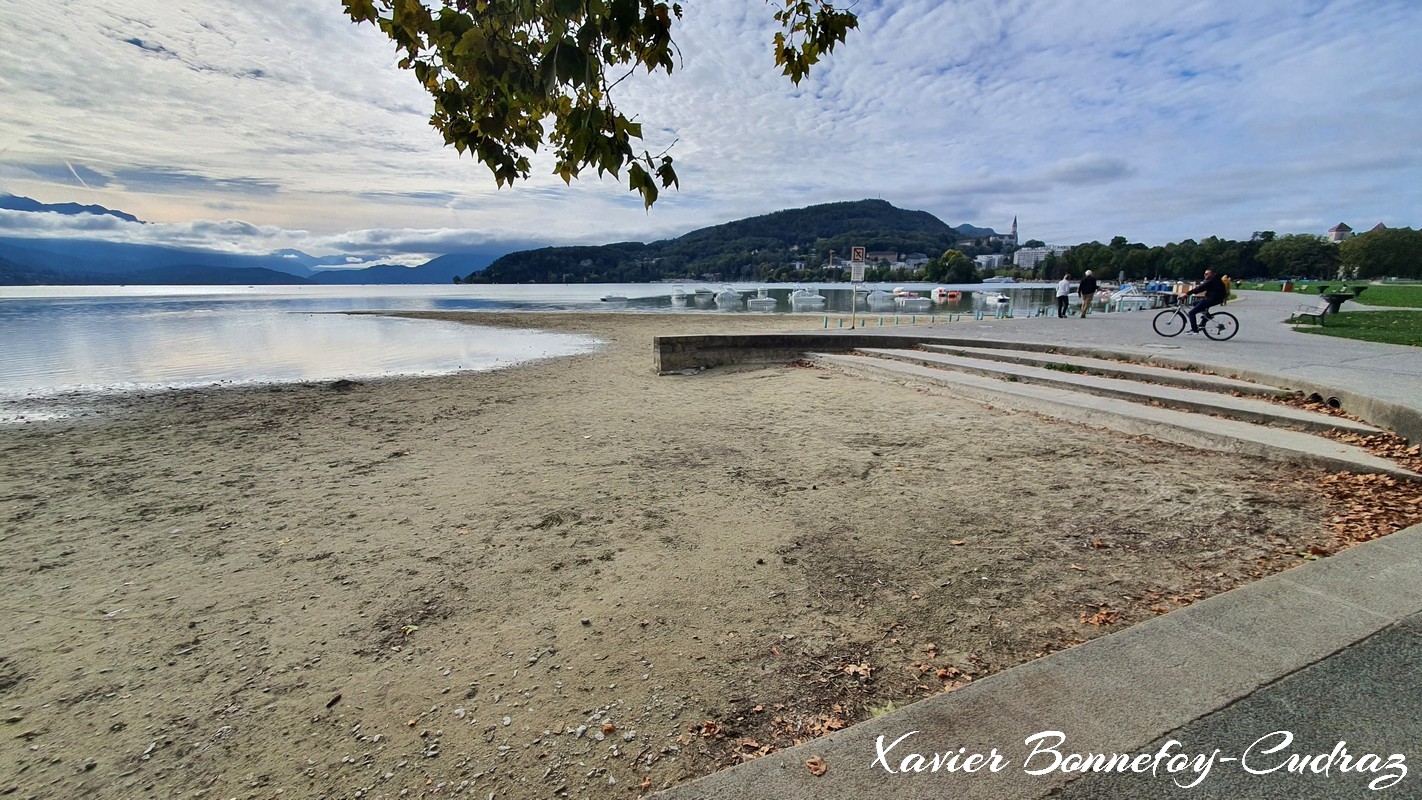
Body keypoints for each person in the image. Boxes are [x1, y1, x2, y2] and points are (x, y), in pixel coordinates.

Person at [1185, 268, 1228, 334]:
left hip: (1213, 299)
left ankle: (1194, 330)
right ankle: (1207, 315)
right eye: (1205, 273)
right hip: (1212, 298)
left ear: (1213, 274)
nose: (1205, 275)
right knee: (1194, 303)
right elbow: (1200, 288)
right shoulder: (1213, 280)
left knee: (1191, 313)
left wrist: (1186, 294)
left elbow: (1200, 288)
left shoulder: (1212, 281)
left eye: (1207, 274)